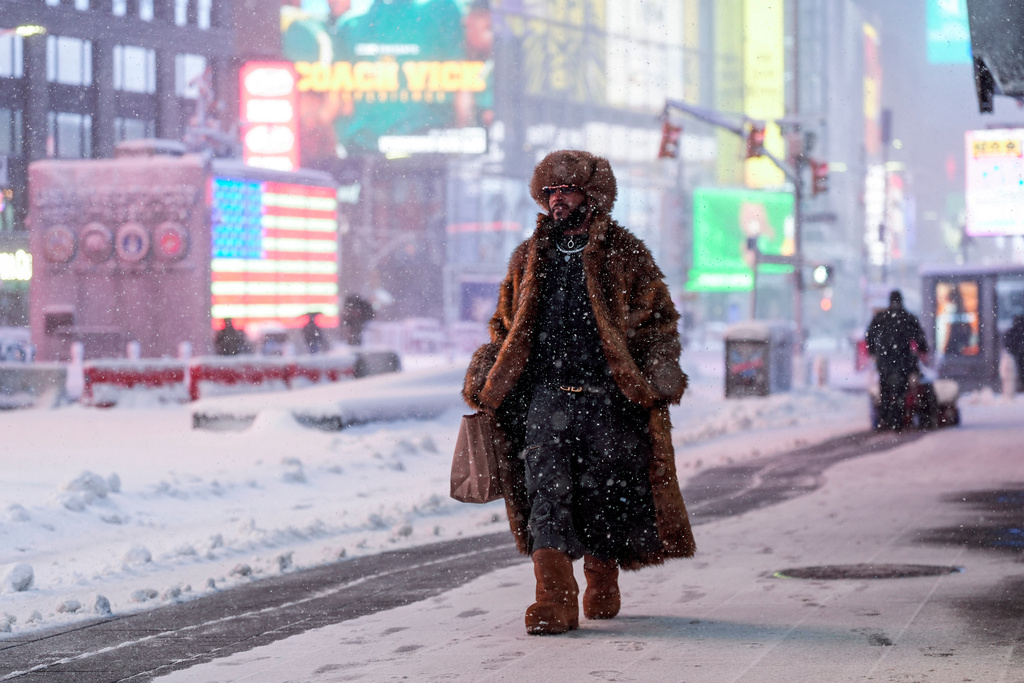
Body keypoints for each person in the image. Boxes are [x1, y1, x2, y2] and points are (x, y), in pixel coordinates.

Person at [462, 150, 696, 636]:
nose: (557, 200)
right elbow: (505, 325)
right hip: (545, 397)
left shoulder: (626, 252)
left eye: (565, 191)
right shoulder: (528, 256)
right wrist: (487, 371)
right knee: (545, 491)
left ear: (593, 196)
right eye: (549, 192)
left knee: (602, 494)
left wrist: (658, 371)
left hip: (607, 398)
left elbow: (657, 324)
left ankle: (601, 576)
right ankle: (554, 598)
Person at [865, 290, 929, 431]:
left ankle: (885, 418)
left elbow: (869, 335)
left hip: (884, 361)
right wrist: (923, 350)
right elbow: (919, 338)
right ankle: (899, 419)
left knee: (885, 389)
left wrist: (873, 352)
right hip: (903, 360)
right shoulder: (909, 317)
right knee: (901, 389)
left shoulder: (881, 317)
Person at [1004, 314, 1024, 391]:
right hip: (1018, 354)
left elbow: (1007, 342)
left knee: (1019, 370)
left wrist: (1013, 351)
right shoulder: (1015, 331)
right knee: (1019, 370)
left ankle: (1021, 385)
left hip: (1018, 354)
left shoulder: (1013, 330)